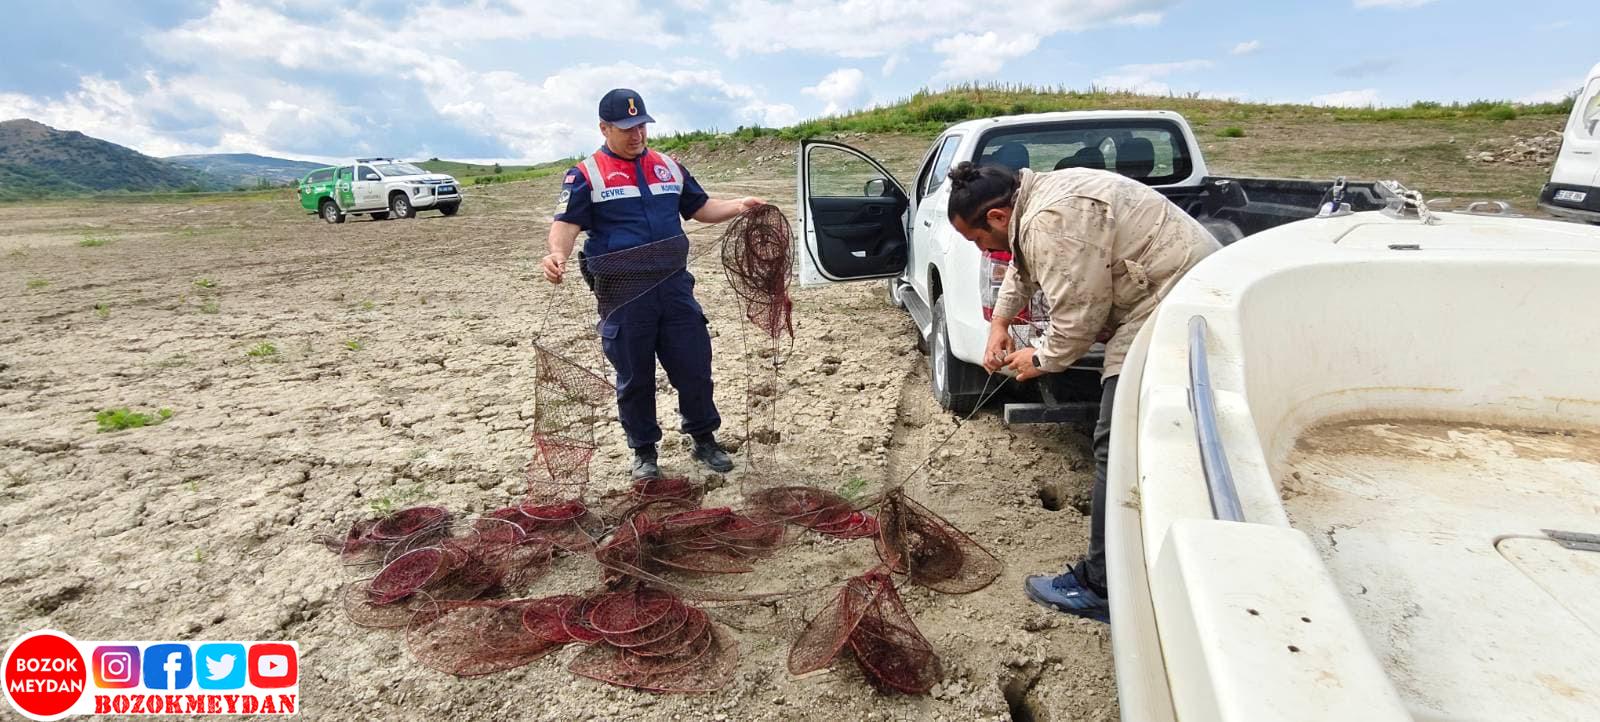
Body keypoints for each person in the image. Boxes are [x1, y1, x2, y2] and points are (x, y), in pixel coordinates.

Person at [945, 159, 1221, 622]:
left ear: (995, 217)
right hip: (1162, 294)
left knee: (1117, 443)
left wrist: (1038, 359)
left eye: (976, 240)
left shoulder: (1052, 219)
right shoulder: (1034, 203)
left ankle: (1103, 586)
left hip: (1173, 300)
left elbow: (1079, 317)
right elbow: (1022, 264)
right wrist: (999, 323)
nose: (981, 248)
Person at [540, 88, 763, 480]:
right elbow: (566, 225)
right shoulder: (585, 174)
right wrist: (557, 253)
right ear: (604, 128)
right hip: (623, 295)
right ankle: (644, 452)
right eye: (626, 128)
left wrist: (740, 205)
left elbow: (701, 209)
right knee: (634, 375)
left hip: (674, 287)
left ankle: (704, 439)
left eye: (641, 125)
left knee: (694, 365)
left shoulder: (668, 166)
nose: (637, 134)